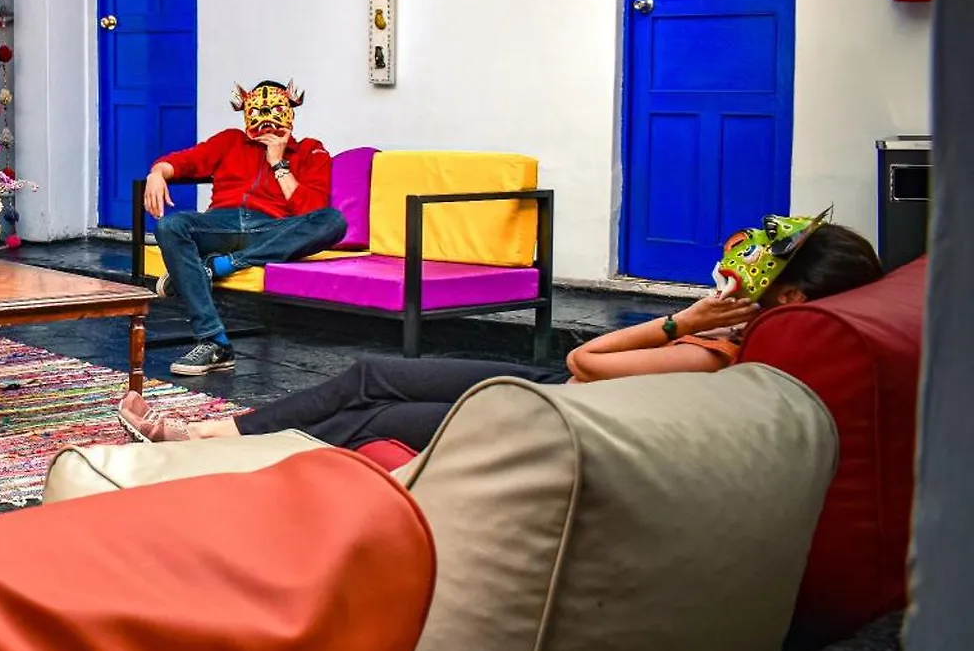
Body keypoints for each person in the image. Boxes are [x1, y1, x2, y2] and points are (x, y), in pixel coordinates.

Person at [120, 209, 883, 450]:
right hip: (552, 391)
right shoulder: (730, 345)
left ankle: (213, 451)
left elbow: (586, 363)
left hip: (553, 415)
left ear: (788, 298)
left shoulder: (713, 359)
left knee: (373, 418)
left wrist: (682, 323)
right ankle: (213, 435)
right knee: (368, 376)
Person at [144, 79, 351, 377]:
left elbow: (310, 212)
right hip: (221, 224)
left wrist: (278, 163)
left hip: (271, 229)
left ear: (290, 111)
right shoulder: (230, 141)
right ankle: (215, 341)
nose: (266, 120)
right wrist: (156, 173)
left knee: (333, 221)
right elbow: (183, 161)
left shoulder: (311, 150)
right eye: (257, 111)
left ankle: (219, 266)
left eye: (275, 110)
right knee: (170, 225)